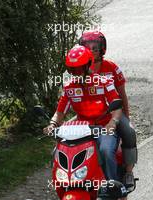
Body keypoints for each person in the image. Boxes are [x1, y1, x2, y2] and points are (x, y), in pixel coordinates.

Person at [44, 45, 123, 181]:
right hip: (80, 129)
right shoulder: (69, 87)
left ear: (88, 65)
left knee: (105, 151)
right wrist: (52, 124)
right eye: (71, 70)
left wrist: (113, 122)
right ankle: (66, 185)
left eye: (79, 68)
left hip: (103, 128)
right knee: (57, 152)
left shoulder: (104, 82)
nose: (76, 73)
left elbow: (117, 107)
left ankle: (113, 187)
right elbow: (60, 112)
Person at [79, 31, 137, 188]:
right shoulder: (80, 70)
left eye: (95, 48)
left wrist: (126, 117)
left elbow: (122, 95)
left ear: (102, 49)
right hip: (91, 117)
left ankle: (128, 172)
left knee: (130, 132)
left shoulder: (112, 68)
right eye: (87, 47)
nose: (91, 51)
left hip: (113, 114)